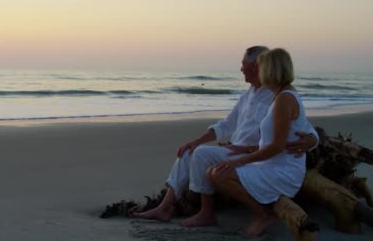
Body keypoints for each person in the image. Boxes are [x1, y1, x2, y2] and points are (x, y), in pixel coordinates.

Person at [133, 46, 318, 224]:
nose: (241, 68)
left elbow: (304, 128)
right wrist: (196, 141)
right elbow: (226, 125)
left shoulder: (276, 95)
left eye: (243, 64)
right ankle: (165, 207)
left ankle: (206, 212)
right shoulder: (249, 95)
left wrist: (311, 140)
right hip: (237, 150)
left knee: (202, 154)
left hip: (253, 156)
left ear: (256, 66)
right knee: (191, 151)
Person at [208, 48, 313, 238]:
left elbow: (276, 147)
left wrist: (240, 161)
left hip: (282, 172)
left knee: (219, 174)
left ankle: (263, 215)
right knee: (214, 172)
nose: (257, 70)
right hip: (271, 165)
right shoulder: (283, 94)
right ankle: (262, 212)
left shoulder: (284, 99)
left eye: (260, 67)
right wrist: (245, 151)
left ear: (270, 70)